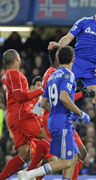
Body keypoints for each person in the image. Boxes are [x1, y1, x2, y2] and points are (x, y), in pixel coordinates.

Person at [48, 2, 96, 149]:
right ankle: (41, 109)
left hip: (92, 67)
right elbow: (68, 38)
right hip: (76, 63)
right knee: (57, 83)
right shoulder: (84, 22)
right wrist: (57, 47)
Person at [18, 46, 90, 179]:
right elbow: (64, 97)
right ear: (73, 59)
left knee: (74, 156)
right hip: (62, 122)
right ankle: (30, 174)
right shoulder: (68, 74)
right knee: (67, 160)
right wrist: (80, 113)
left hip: (54, 119)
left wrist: (59, 110)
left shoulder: (51, 76)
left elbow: (43, 103)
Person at [0, 49, 48, 180]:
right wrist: (39, 91)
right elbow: (20, 97)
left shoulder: (6, 75)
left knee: (25, 153)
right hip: (22, 116)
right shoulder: (14, 74)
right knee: (47, 137)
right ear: (16, 59)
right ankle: (30, 175)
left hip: (14, 116)